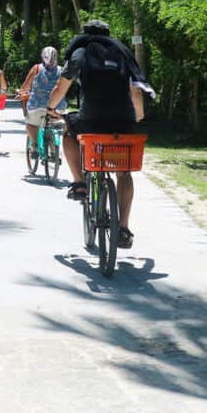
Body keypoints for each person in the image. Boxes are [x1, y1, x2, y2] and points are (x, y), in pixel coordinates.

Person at [46, 20, 148, 248]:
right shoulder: (122, 53)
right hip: (123, 120)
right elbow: (136, 90)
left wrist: (51, 108)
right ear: (108, 34)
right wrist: (138, 116)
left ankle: (80, 184)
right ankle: (123, 228)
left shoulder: (80, 52)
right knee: (124, 173)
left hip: (91, 118)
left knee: (69, 131)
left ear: (85, 33)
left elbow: (62, 87)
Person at [18, 46, 66, 148]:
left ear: (42, 56)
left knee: (30, 124)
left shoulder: (37, 68)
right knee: (53, 126)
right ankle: (54, 152)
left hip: (37, 106)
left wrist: (22, 92)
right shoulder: (62, 70)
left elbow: (26, 86)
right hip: (58, 108)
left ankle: (35, 145)